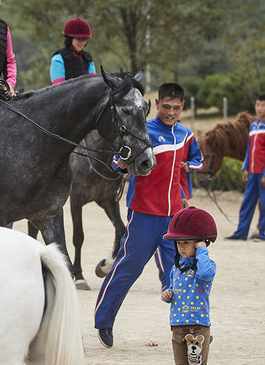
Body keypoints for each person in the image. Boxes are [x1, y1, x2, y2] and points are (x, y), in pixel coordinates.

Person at [94, 83, 203, 349]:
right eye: (166, 107)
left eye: (176, 108)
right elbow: (119, 163)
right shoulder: (144, 131)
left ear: (183, 108)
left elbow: (197, 161)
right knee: (127, 268)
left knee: (180, 274)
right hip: (143, 215)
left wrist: (189, 167)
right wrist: (120, 164)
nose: (171, 112)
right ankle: (103, 321)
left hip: (174, 220)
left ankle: (187, 328)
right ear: (157, 104)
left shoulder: (186, 136)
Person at [161, 206, 217, 365]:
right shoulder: (176, 268)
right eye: (178, 243)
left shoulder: (207, 265)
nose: (181, 247)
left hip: (198, 327)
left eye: (186, 242)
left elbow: (205, 274)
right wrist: (168, 294)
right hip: (178, 325)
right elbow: (174, 288)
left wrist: (201, 250)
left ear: (201, 243)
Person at [226, 94, 265, 241]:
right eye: (257, 105)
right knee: (247, 203)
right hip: (252, 173)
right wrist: (246, 168)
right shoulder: (254, 126)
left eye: (262, 105)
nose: (259, 108)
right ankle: (241, 233)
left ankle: (263, 234)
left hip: (263, 174)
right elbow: (250, 149)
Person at [50, 17, 96, 85]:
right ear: (69, 39)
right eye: (78, 39)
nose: (81, 42)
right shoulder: (58, 59)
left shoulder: (88, 58)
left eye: (84, 39)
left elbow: (93, 83)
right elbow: (58, 88)